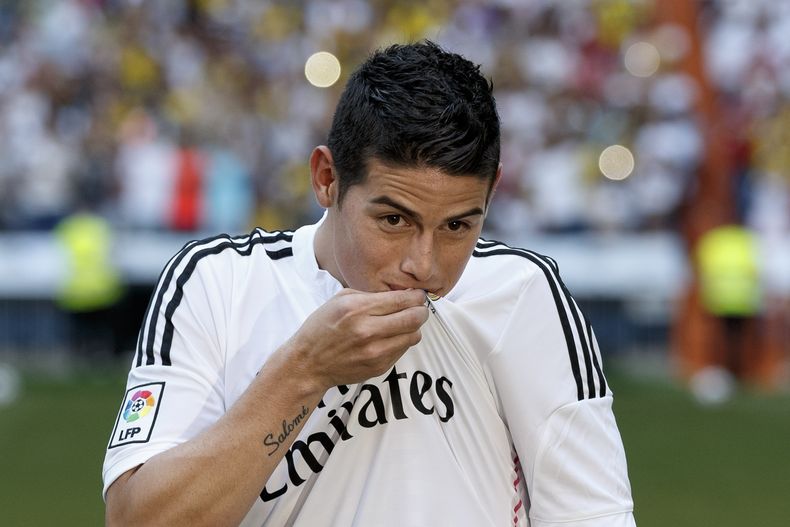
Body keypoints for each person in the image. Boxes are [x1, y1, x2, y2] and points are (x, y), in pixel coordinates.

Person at [103, 41, 635, 526]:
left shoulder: (523, 293)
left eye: (458, 226)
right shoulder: (218, 281)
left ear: (493, 192)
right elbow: (135, 519)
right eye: (394, 220)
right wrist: (305, 369)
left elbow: (595, 516)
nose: (423, 264)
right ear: (327, 179)